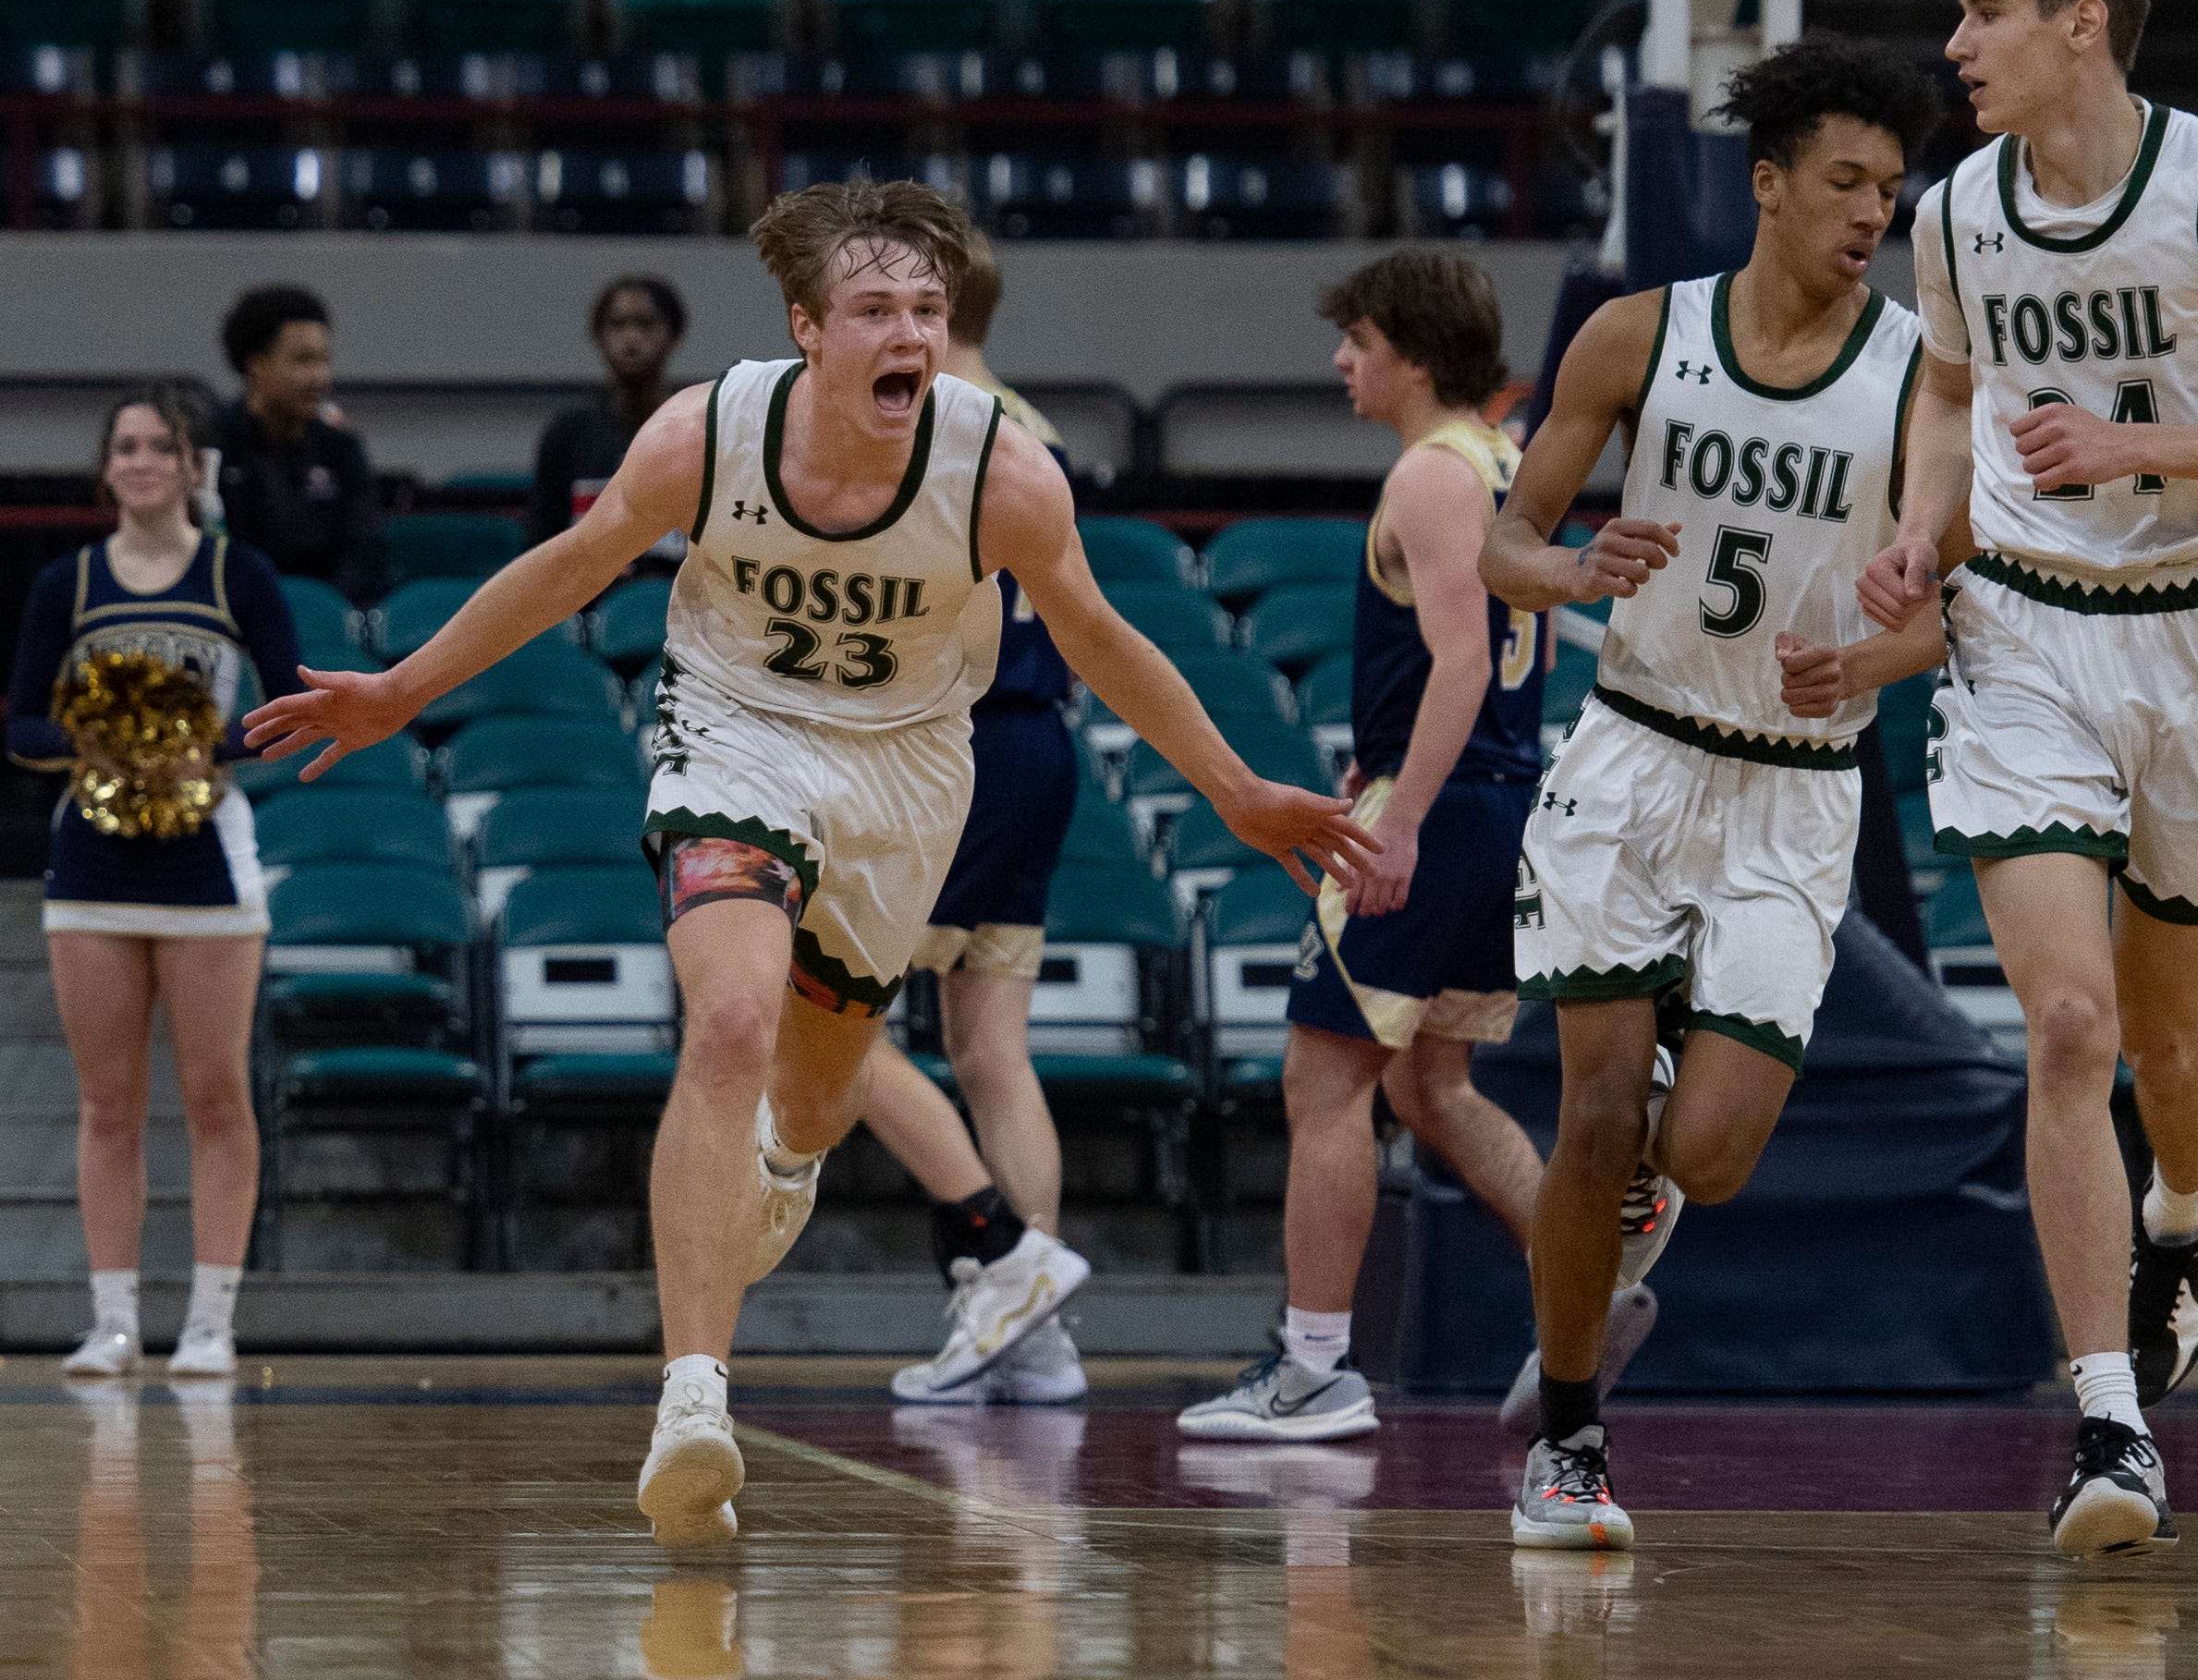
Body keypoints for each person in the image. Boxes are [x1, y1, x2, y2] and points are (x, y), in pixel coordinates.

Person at [241, 177, 1378, 1547]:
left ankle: (779, 1161)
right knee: (727, 1021)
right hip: (736, 736)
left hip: (905, 770)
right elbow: (572, 564)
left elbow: (1098, 640)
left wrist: (1239, 790)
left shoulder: (999, 467)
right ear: (809, 329)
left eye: (927, 309)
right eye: (877, 309)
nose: (910, 330)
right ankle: (693, 1399)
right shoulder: (708, 432)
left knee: (819, 1096)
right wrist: (402, 691)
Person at [1860, 0, 2198, 1557]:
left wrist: (2147, 452)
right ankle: (2106, 1423)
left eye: (1985, 11)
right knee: (2068, 1030)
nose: (1957, 45)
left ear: (2082, 25)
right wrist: (1926, 530)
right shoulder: (1954, 215)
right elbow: (1946, 390)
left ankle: (2181, 1204)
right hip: (2028, 634)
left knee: (2168, 1043)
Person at [1480, 35, 1948, 1550]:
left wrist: (1871, 666)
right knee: (1597, 1105)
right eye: (1843, 181)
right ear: (1766, 183)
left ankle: (1633, 1202)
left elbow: (1964, 608)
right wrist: (1568, 567)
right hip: (1636, 749)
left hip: (1797, 787)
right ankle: (1568, 1446)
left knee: (1713, 1152)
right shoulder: (1634, 336)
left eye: (1890, 188)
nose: (1871, 211)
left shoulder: (1926, 381)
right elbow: (1507, 540)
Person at [1176, 249, 1636, 1445]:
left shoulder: (1435, 474)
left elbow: (1463, 664)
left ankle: (1316, 1368)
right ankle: (1593, 1284)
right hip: (1506, 809)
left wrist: (1403, 818)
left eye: (1360, 341)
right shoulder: (1506, 467)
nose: (1342, 360)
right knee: (1434, 1084)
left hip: (1438, 813)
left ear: (1414, 357)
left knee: (1321, 1083)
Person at [6, 389, 304, 1380]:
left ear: (189, 466)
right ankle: (114, 1318)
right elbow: (23, 727)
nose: (139, 462)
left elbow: (286, 704)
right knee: (108, 1102)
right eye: (123, 446)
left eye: (158, 446)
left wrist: (191, 746)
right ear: (106, 469)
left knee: (218, 1093)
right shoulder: (68, 582)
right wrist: (104, 740)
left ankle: (213, 1320)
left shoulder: (236, 571)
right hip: (91, 857)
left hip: (207, 855)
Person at [861, 226, 1094, 1406]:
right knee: (992, 1047)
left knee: (828, 1011)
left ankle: (1003, 1262)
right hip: (1041, 739)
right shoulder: (1038, 426)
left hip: (958, 737)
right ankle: (1034, 1326)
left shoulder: (932, 425)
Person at [211, 285, 388, 604]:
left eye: (324, 361)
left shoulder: (341, 448)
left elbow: (365, 554)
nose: (319, 377)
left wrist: (322, 611)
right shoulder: (212, 445)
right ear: (256, 365)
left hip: (326, 627)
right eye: (304, 361)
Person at [531, 274, 687, 546]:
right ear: (599, 337)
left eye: (646, 324)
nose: (631, 337)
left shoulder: (702, 425)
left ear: (674, 336)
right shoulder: (569, 432)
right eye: (618, 324)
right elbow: (542, 539)